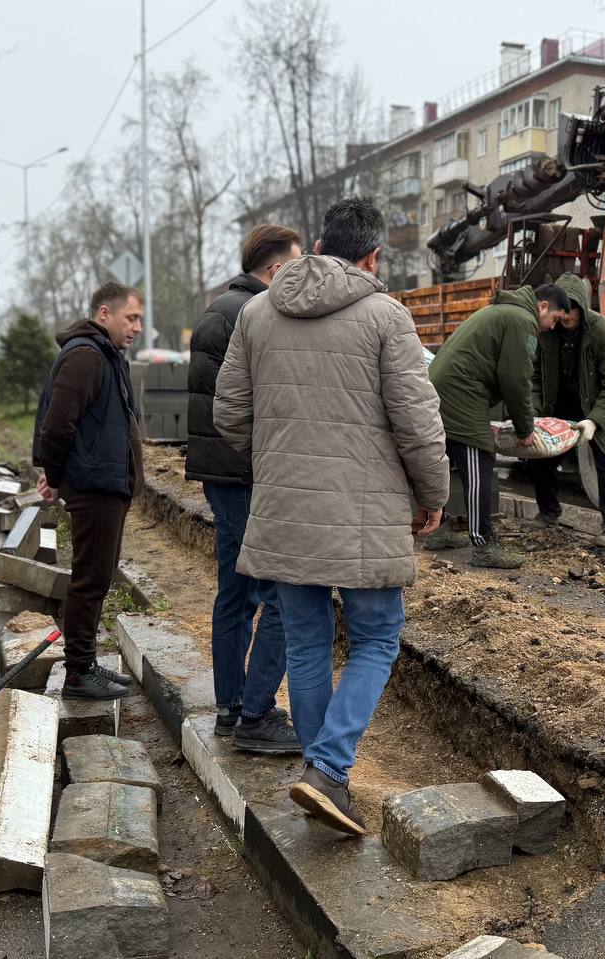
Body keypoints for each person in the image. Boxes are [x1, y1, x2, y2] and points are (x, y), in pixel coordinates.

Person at [214, 197, 448, 836]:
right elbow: (418, 423)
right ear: (372, 257)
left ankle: (325, 778)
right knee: (377, 637)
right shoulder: (387, 317)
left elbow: (229, 413)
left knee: (308, 642)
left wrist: (278, 461)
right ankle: (327, 768)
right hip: (364, 515)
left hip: (284, 510)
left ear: (318, 248)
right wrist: (432, 495)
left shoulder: (257, 313)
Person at [186, 224, 302, 752]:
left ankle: (231, 707)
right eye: (295, 266)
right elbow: (249, 404)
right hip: (246, 473)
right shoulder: (253, 313)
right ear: (276, 269)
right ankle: (256, 713)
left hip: (223, 473)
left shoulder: (221, 308)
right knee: (279, 591)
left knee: (234, 593)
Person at [33, 283, 144, 700]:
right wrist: (56, 476)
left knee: (97, 577)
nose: (136, 327)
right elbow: (56, 425)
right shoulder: (86, 356)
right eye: (131, 318)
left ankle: (87, 663)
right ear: (104, 314)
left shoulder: (105, 355)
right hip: (95, 485)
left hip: (106, 484)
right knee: (90, 579)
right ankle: (78, 672)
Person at [426, 282, 569, 568]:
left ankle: (445, 528)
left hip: (445, 385)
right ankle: (484, 545)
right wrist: (526, 428)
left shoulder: (504, 311)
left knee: (448, 460)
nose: (553, 327)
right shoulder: (523, 320)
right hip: (461, 389)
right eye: (555, 319)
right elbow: (516, 380)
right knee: (478, 456)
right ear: (542, 307)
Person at [529, 273, 605, 549]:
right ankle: (548, 513)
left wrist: (595, 421)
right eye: (562, 309)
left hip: (599, 406)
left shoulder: (604, 333)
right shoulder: (547, 332)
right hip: (560, 405)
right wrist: (536, 412)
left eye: (572, 308)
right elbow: (535, 376)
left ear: (582, 307)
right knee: (540, 455)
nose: (566, 315)